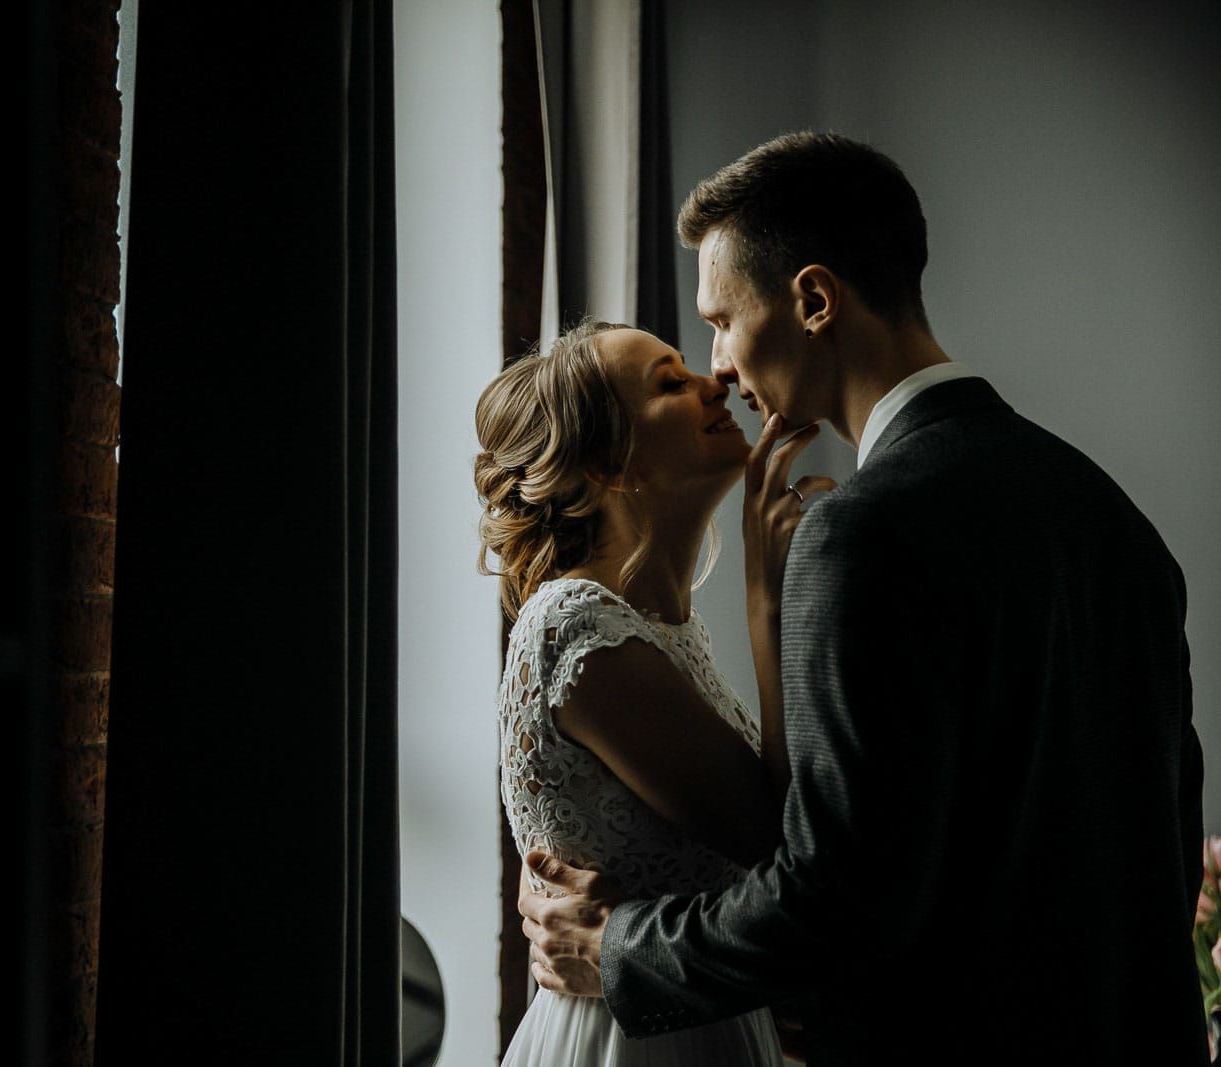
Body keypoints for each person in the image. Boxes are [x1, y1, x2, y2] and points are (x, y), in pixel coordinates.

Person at [516, 132, 1206, 1064]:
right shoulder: (1112, 518)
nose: (719, 366)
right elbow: (1162, 836)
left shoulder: (862, 531)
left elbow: (837, 891)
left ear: (811, 299)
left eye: (720, 320)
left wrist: (617, 949)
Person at [475, 317, 835, 1064]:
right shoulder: (577, 630)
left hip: (691, 1016)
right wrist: (768, 592)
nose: (715, 382)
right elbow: (780, 838)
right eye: (672, 382)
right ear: (608, 463)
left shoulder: (661, 628)